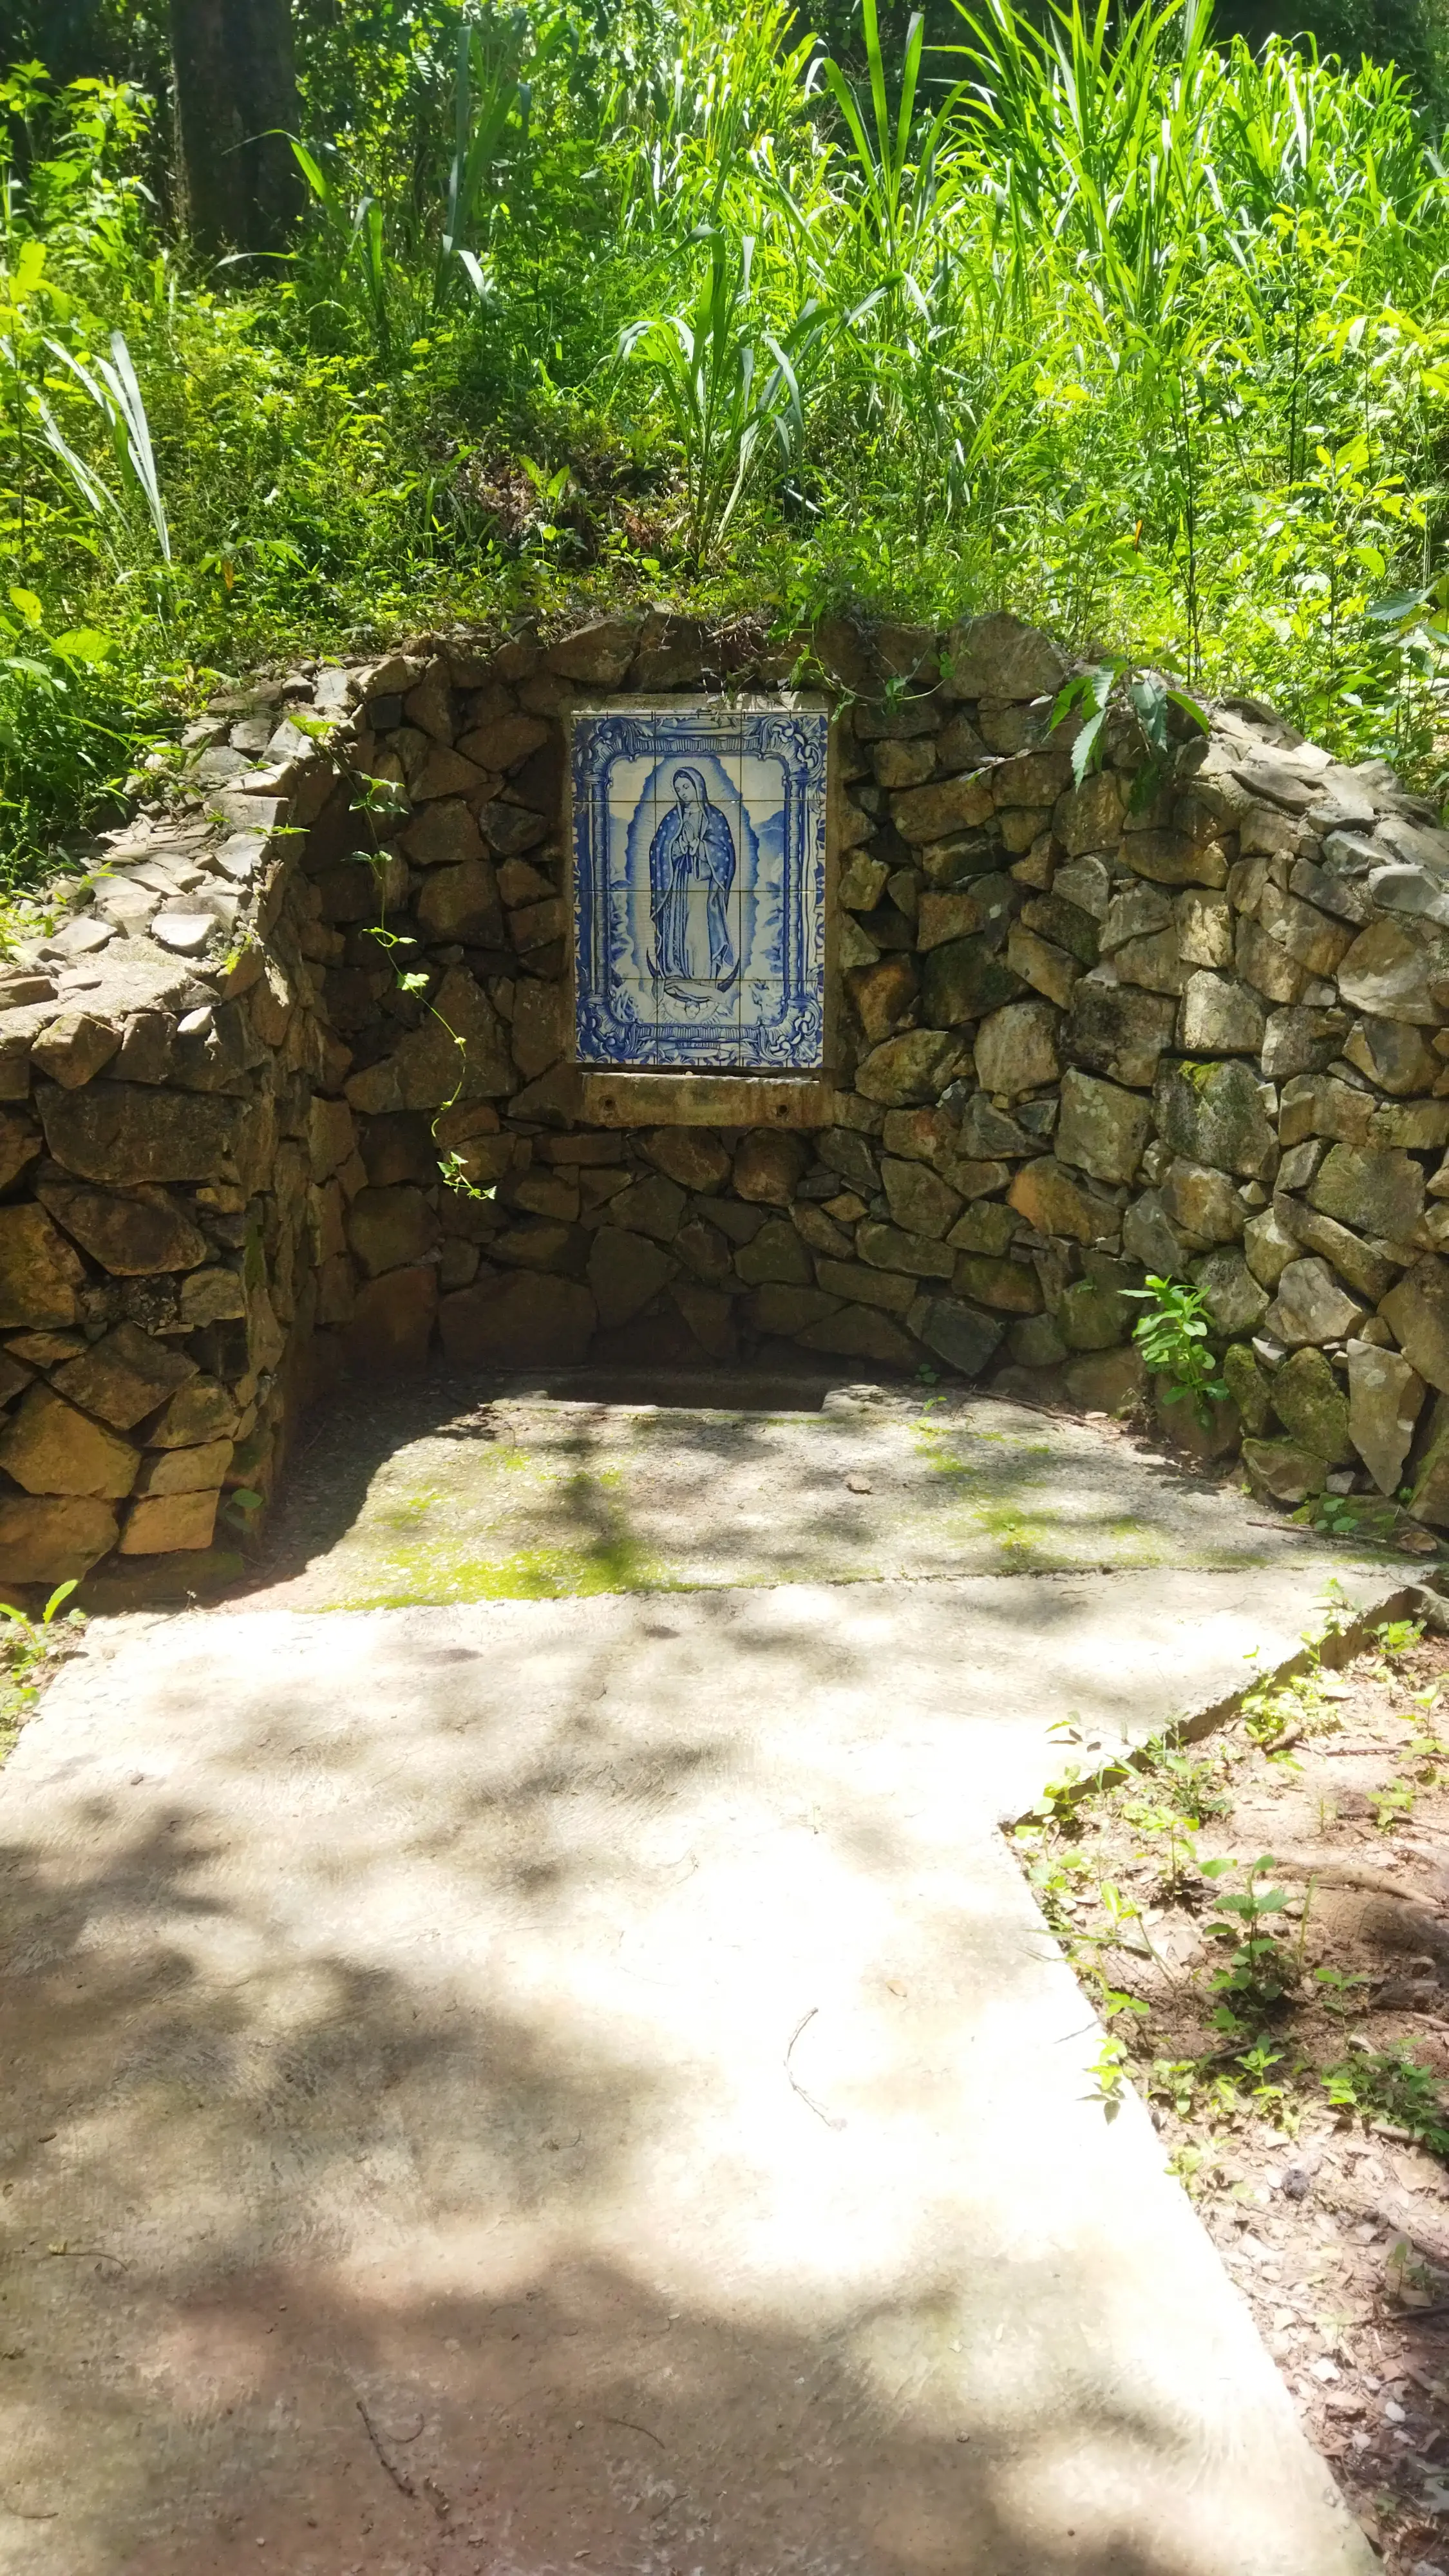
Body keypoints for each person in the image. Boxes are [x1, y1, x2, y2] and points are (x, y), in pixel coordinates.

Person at [647, 766, 736, 990]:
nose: (683, 793)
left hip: (702, 884)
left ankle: (702, 976)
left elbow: (725, 854)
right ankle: (676, 973)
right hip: (677, 883)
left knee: (698, 928)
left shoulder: (715, 817)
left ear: (698, 786)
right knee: (676, 926)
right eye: (679, 790)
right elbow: (658, 850)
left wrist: (699, 846)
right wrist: (678, 847)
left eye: (686, 787)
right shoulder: (672, 818)